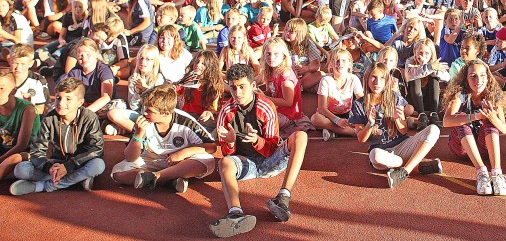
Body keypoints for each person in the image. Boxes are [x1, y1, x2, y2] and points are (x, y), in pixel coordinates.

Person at [210, 63, 308, 236]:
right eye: (233, 88)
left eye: (242, 87)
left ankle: (283, 196)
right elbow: (228, 156)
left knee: (300, 136)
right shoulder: (226, 112)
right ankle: (235, 213)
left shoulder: (266, 106)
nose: (238, 92)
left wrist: (256, 140)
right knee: (224, 163)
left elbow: (271, 148)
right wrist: (231, 142)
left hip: (269, 161)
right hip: (245, 163)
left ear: (253, 86)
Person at [350, 62, 442, 188]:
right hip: (383, 153)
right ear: (366, 79)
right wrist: (370, 124)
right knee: (374, 156)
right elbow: (361, 138)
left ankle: (404, 172)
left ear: (387, 80)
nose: (377, 82)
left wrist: (398, 119)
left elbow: (404, 131)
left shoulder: (394, 97)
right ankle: (418, 167)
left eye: (382, 78)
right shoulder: (359, 104)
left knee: (434, 129)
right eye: (373, 77)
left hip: (403, 145)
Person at [111, 84, 216, 193]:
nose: (144, 113)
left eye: (150, 111)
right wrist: (138, 135)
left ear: (166, 113)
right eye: (144, 109)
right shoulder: (143, 122)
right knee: (117, 173)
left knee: (207, 160)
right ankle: (170, 179)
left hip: (179, 163)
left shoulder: (185, 122)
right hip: (151, 160)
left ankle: (155, 178)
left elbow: (211, 147)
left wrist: (183, 153)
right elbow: (130, 158)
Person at [11, 77, 105, 195]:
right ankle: (77, 180)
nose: (61, 103)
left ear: (80, 102)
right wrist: (49, 167)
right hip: (57, 163)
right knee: (20, 170)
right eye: (58, 98)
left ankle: (43, 186)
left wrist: (69, 166)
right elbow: (37, 150)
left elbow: (97, 149)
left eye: (68, 99)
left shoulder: (89, 117)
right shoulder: (50, 118)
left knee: (98, 165)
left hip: (81, 163)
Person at [442, 59, 506, 195]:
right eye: (473, 76)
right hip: (461, 148)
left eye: (482, 75)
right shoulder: (460, 95)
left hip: (483, 147)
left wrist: (491, 116)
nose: (478, 80)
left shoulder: (493, 97)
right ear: (466, 79)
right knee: (460, 118)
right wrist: (476, 116)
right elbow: (446, 121)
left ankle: (497, 174)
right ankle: (482, 173)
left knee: (491, 120)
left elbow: (503, 129)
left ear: (488, 77)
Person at [310, 48, 364, 140]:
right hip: (329, 115)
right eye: (336, 60)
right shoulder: (326, 80)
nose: (340, 63)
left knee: (366, 117)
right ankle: (351, 132)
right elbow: (322, 108)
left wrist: (357, 118)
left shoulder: (354, 79)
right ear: (331, 64)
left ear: (349, 64)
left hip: (348, 114)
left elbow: (362, 101)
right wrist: (337, 120)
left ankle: (333, 131)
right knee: (315, 118)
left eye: (343, 60)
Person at [0, 69, 40, 180]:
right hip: (4, 149)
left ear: (13, 91)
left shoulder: (27, 109)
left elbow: (21, 145)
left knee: (13, 159)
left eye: (2, 88)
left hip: (26, 153)